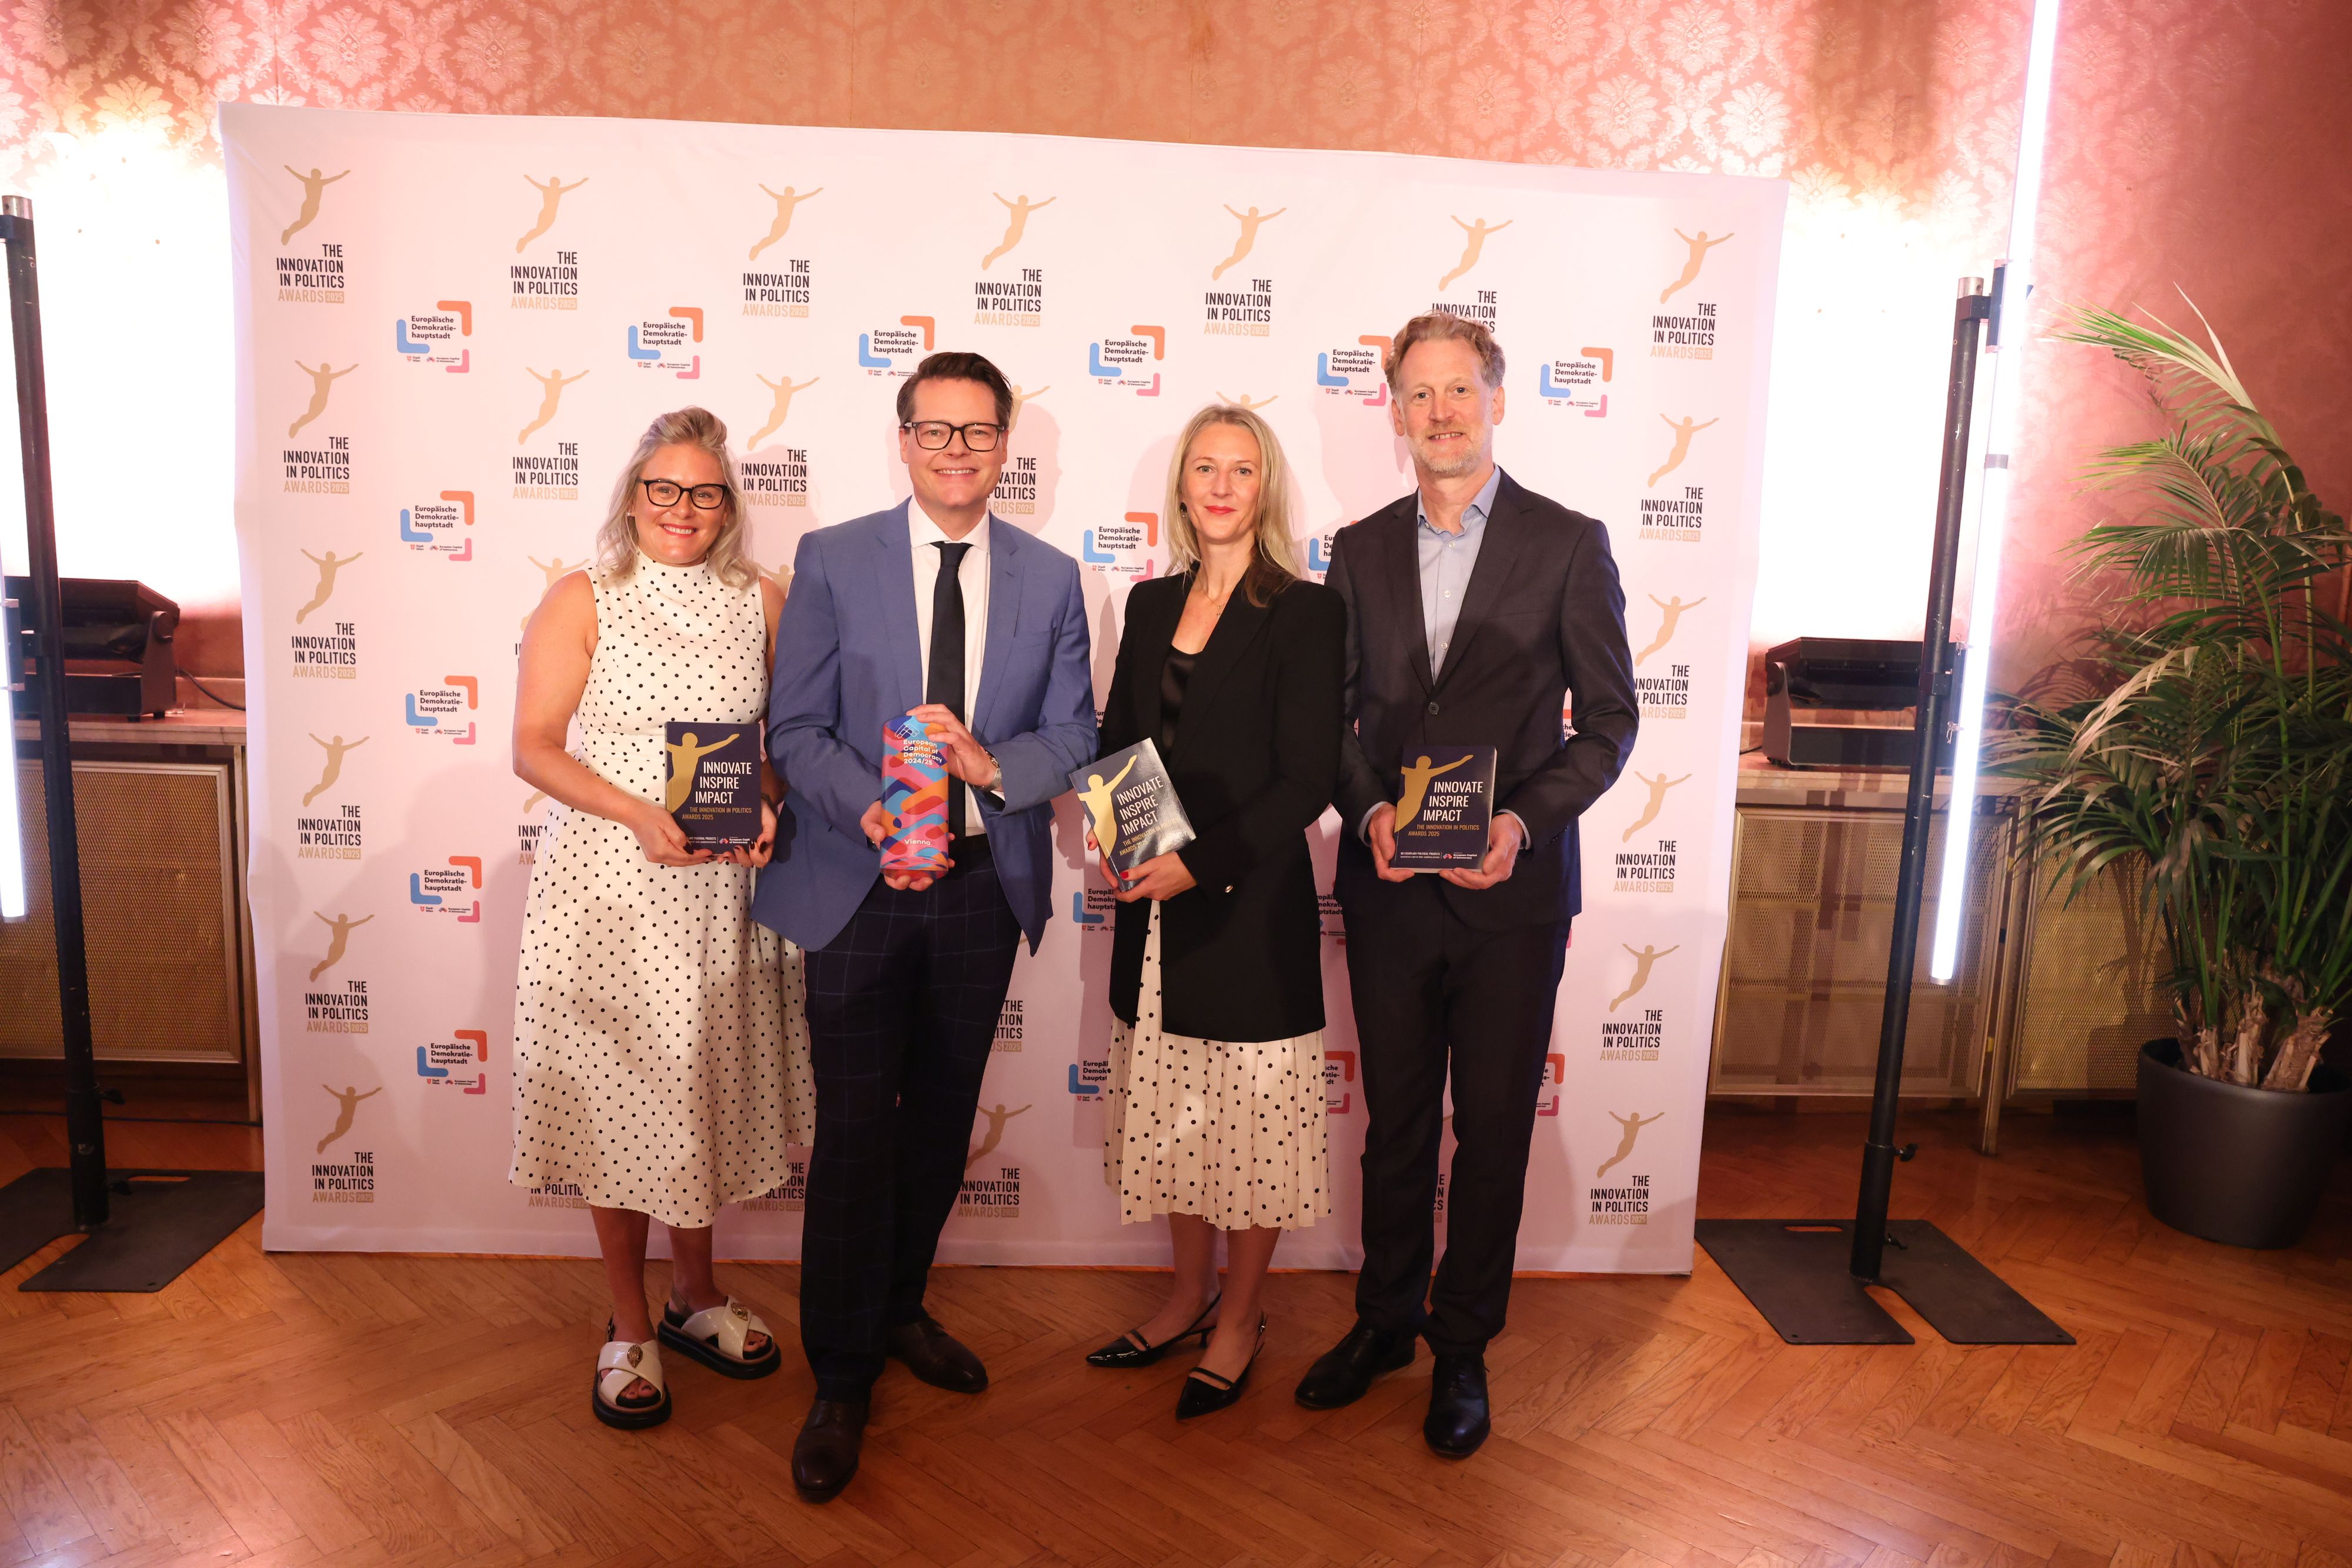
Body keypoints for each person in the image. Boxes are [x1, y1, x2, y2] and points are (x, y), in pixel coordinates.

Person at [760, 350, 1095, 1502]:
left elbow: (1075, 733)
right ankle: (840, 1370)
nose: (957, 451)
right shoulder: (832, 559)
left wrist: (989, 766)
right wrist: (871, 810)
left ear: (1006, 446)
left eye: (979, 432)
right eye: (935, 430)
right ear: (902, 440)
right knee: (855, 1131)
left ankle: (899, 1305)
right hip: (858, 882)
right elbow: (795, 724)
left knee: (942, 1117)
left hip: (974, 883)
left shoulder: (1051, 579)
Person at [1302, 312, 1637, 1456]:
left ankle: (1459, 1346)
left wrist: (1521, 819)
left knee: (1488, 1132)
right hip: (1390, 886)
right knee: (1394, 1125)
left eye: (1458, 389)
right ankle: (1383, 1321)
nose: (1439, 411)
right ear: (1392, 411)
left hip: (1512, 899)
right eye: (1417, 393)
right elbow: (1329, 713)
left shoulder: (1565, 542)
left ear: (1494, 397)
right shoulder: (1355, 548)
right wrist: (1370, 806)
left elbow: (1606, 724)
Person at [509, 407, 815, 1432]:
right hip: (612, 889)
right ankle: (630, 1320)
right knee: (619, 1104)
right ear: (633, 498)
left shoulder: (762, 600)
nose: (685, 511)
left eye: (706, 492)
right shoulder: (582, 597)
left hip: (723, 894)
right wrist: (639, 812)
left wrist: (771, 803)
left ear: (730, 505)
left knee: (705, 1093)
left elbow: (780, 747)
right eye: (664, 490)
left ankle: (696, 1298)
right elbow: (537, 748)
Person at [1082, 403, 1344, 1419]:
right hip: (1151, 912)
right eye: (1205, 468)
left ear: (1265, 487)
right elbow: (1117, 740)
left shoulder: (1306, 611)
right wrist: (1123, 838)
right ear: (1183, 487)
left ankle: (1241, 1316)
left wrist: (1202, 865)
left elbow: (1306, 777)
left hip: (1248, 910)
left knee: (1255, 1135)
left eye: (1242, 469)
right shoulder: (1149, 605)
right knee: (1173, 1124)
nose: (1223, 486)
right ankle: (1186, 1296)